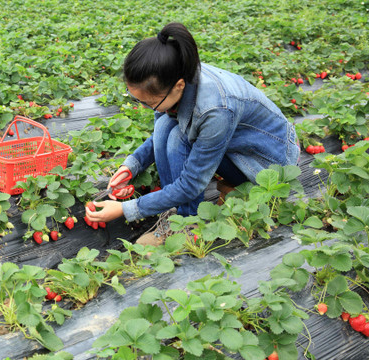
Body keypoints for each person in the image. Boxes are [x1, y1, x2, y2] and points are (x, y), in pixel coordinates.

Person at [85, 22, 300, 242]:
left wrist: (127, 209)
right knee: (164, 126)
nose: (144, 107)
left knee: (178, 139)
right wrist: (131, 166)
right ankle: (174, 214)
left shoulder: (215, 109)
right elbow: (158, 133)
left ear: (178, 86)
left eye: (148, 103)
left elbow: (191, 184)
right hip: (237, 145)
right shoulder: (175, 73)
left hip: (265, 162)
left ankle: (187, 223)